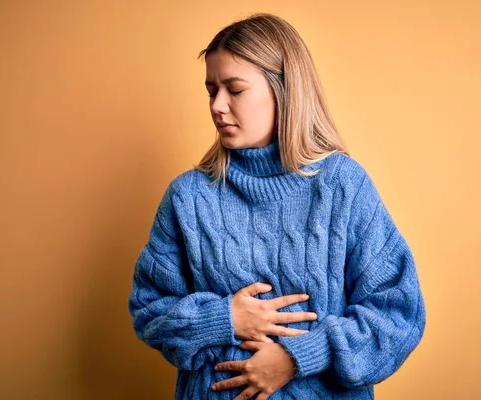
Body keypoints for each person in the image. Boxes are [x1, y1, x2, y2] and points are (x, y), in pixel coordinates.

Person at [128, 12, 426, 400]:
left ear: (284, 91)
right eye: (211, 90)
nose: (218, 105)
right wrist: (224, 319)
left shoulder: (342, 186)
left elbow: (397, 315)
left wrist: (297, 356)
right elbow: (148, 310)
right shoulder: (188, 196)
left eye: (234, 90)